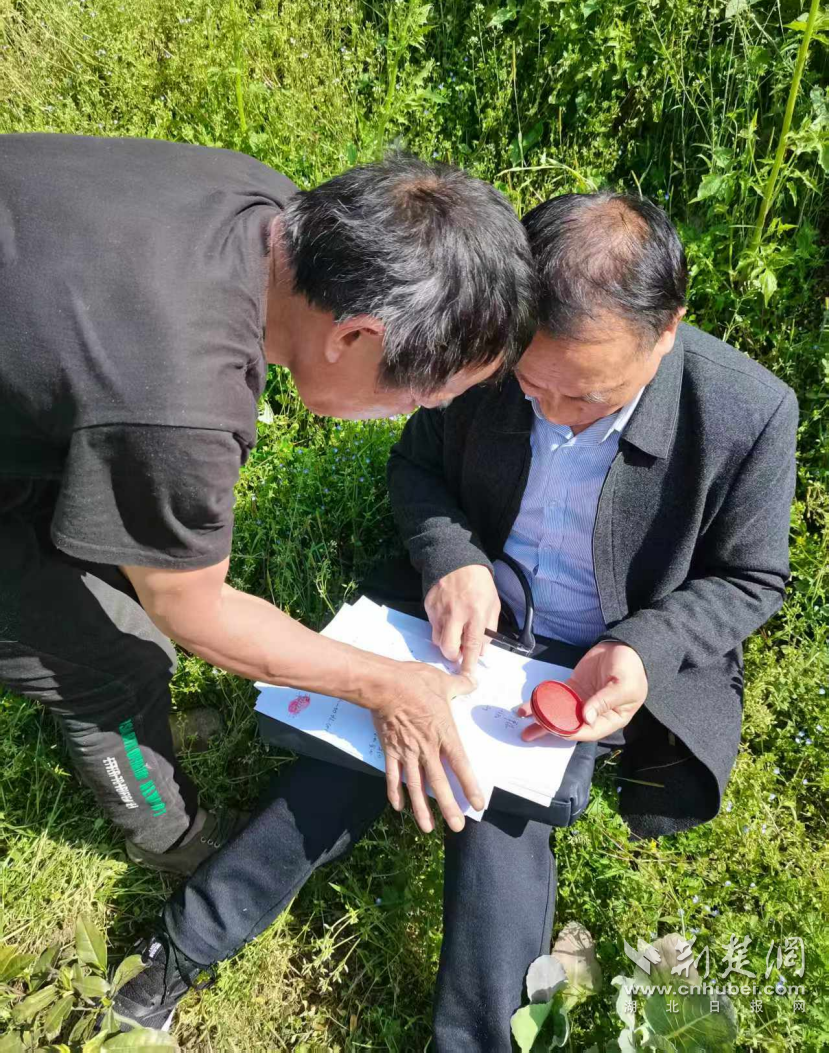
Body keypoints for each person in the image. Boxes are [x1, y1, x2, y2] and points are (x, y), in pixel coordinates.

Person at [109, 191, 797, 1047]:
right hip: (460, 631)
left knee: (497, 828)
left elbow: (750, 577)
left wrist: (640, 647)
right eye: (533, 386)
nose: (554, 414)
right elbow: (417, 471)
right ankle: (180, 950)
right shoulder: (485, 350)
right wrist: (453, 560)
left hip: (590, 659)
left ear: (665, 332)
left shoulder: (745, 411)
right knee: (339, 769)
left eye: (588, 397)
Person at [0, 135, 537, 877]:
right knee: (120, 659)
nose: (407, 415)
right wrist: (386, 684)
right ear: (355, 335)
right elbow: (193, 612)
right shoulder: (178, 405)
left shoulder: (265, 207)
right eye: (417, 396)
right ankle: (169, 837)